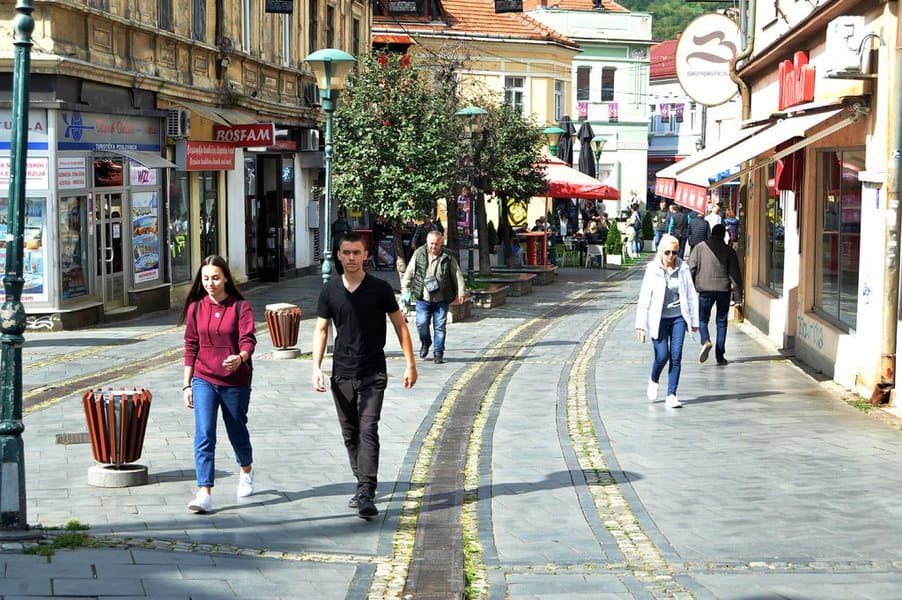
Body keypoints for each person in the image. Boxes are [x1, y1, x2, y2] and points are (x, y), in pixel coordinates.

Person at [312, 232, 417, 519]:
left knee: (368, 428)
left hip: (373, 371)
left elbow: (400, 326)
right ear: (338, 255)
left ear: (365, 255)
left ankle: (367, 491)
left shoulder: (380, 289)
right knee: (351, 433)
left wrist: (410, 363)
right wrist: (315, 367)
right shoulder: (330, 290)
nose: (351, 258)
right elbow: (322, 330)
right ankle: (362, 483)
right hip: (341, 373)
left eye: (356, 253)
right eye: (346, 253)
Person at [180, 255, 257, 514]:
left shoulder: (239, 306)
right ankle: (204, 492)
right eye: (205, 278)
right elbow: (190, 345)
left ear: (225, 278)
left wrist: (240, 358)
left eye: (215, 277)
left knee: (236, 429)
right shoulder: (195, 308)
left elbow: (248, 340)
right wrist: (186, 384)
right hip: (204, 378)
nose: (210, 283)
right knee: (204, 433)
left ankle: (246, 469)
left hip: (235, 380)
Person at [635, 234, 699, 408]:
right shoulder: (652, 269)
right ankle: (653, 379)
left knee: (676, 356)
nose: (671, 256)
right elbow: (644, 298)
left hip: (678, 317)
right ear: (661, 252)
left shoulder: (683, 269)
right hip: (658, 318)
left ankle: (672, 394)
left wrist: (694, 321)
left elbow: (692, 296)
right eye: (667, 252)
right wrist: (640, 325)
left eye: (675, 252)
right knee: (662, 355)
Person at [401, 230, 466, 364]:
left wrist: (461, 292)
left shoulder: (448, 256)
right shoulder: (419, 253)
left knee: (440, 326)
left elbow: (457, 274)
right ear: (427, 242)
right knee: (421, 323)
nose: (433, 247)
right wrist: (405, 285)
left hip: (441, 298)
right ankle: (426, 342)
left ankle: (438, 353)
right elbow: (410, 270)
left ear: (441, 243)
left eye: (436, 244)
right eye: (431, 244)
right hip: (422, 297)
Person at [687, 224, 743, 366]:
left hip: (704, 289)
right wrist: (738, 298)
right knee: (721, 322)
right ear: (724, 235)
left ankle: (705, 340)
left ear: (711, 233)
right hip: (724, 290)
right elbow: (735, 275)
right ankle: (720, 355)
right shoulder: (729, 250)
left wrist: (689, 289)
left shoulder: (700, 247)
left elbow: (690, 269)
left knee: (703, 319)